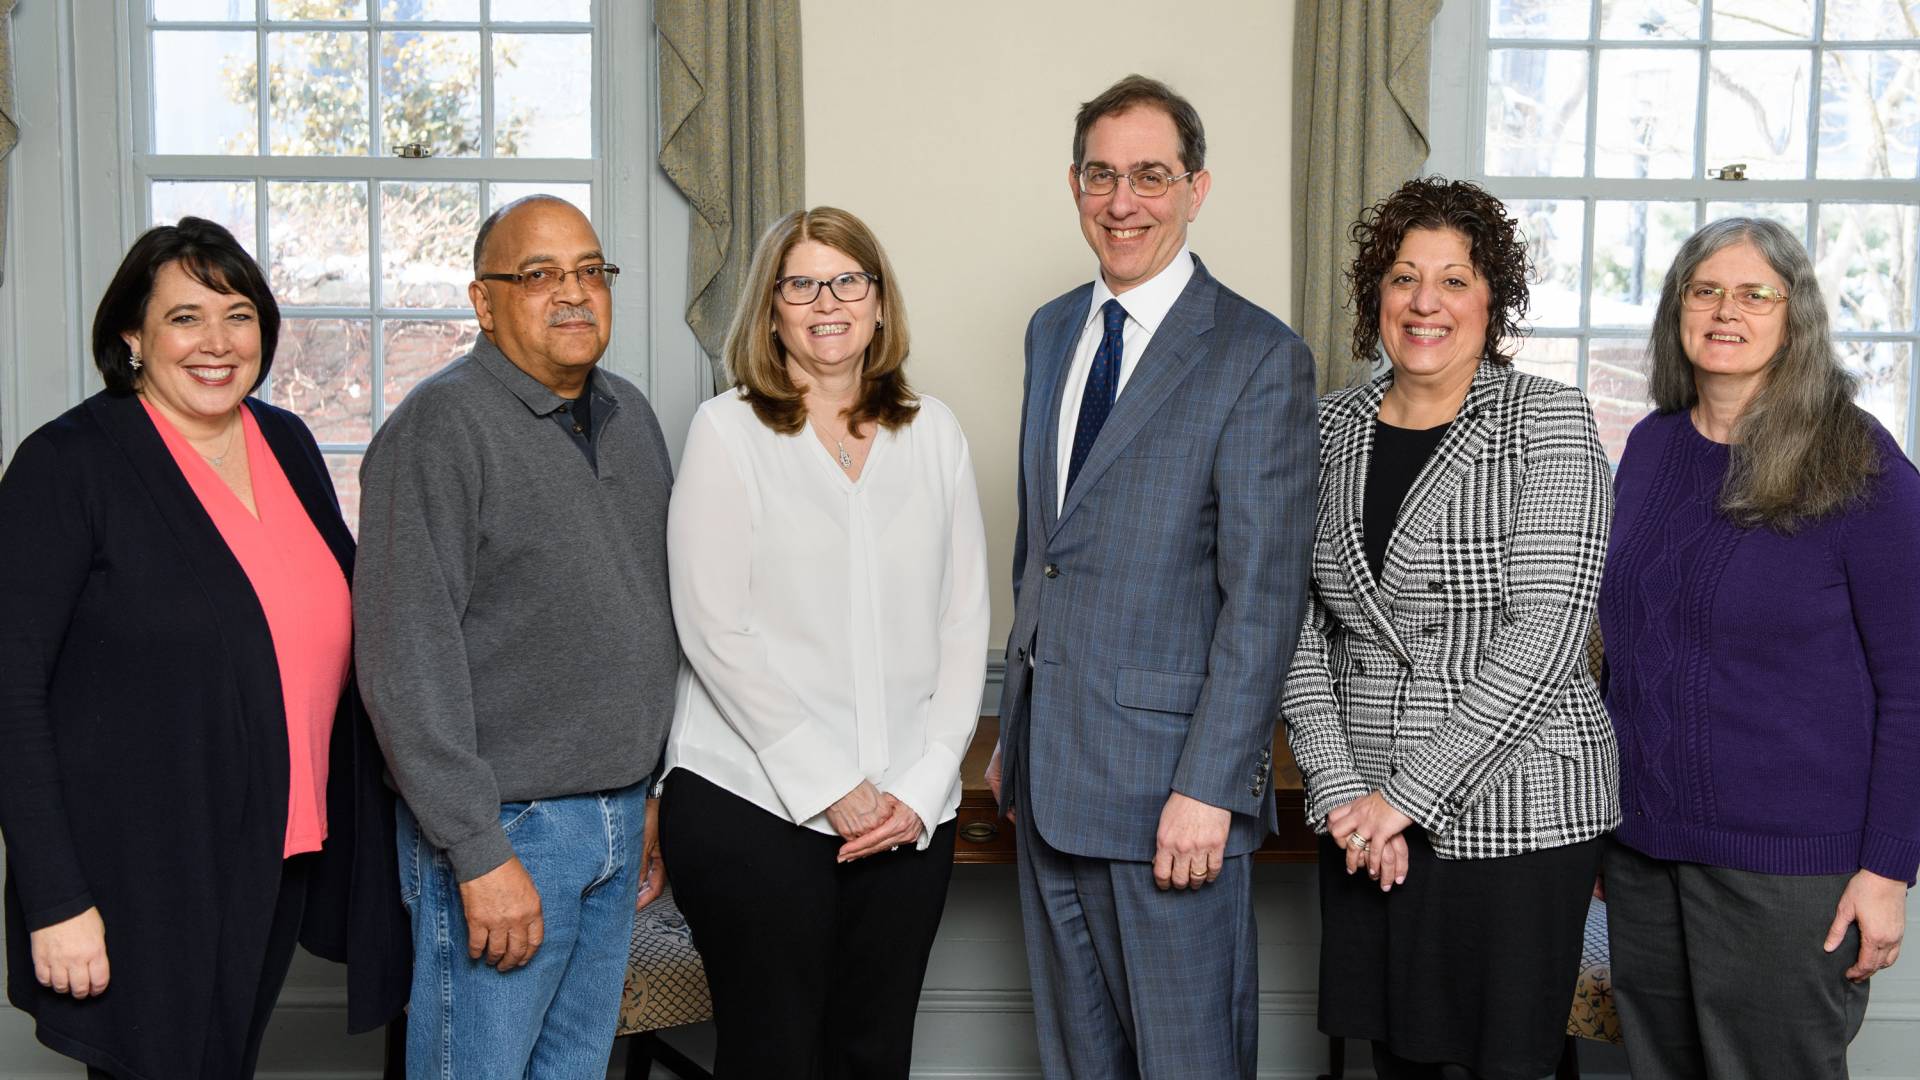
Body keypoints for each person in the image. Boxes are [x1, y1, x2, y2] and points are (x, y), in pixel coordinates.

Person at [0, 217, 409, 1079]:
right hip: (141, 867)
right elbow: (9, 691)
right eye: (185, 317)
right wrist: (57, 899)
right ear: (132, 337)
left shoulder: (286, 442)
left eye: (238, 314)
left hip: (277, 843)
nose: (216, 343)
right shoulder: (68, 466)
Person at [983, 74, 1317, 1078]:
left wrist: (1212, 785)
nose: (1122, 201)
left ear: (1197, 187)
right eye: (1102, 174)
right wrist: (1015, 723)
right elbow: (1043, 541)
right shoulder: (1051, 329)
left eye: (1150, 176)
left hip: (1171, 789)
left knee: (1188, 1061)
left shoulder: (1259, 356)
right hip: (1048, 769)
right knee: (1082, 1061)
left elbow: (1264, 598)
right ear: (1075, 183)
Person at [1280, 176, 1619, 1080]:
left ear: (1490, 300)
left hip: (1514, 810)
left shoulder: (1546, 420)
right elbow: (1297, 624)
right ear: (1375, 298)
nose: (1426, 302)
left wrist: (1406, 800)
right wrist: (1346, 789)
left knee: (1508, 1063)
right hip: (1362, 812)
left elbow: (1547, 635)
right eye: (1403, 277)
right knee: (1399, 1060)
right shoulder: (1326, 428)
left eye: (1455, 279)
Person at [659, 205, 990, 1078]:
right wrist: (832, 786)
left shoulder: (935, 433)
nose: (826, 303)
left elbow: (965, 624)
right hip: (752, 802)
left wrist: (922, 787)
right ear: (772, 311)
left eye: (848, 281)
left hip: (906, 810)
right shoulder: (727, 431)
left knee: (873, 1056)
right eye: (801, 285)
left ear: (879, 304)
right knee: (774, 1058)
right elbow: (712, 626)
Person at [353, 195, 680, 1078]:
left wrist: (646, 795)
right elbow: (401, 661)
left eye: (589, 270)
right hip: (509, 830)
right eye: (538, 275)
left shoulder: (631, 416)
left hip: (616, 816)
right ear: (483, 301)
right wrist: (476, 850)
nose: (572, 293)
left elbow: (647, 615)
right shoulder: (440, 428)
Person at [1598, 217, 1918, 1079]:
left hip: (1785, 871)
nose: (1725, 310)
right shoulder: (1654, 446)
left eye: (1754, 294)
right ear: (1677, 311)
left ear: (1795, 316)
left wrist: (1888, 869)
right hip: (1642, 851)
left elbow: (1913, 688)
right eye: (1705, 290)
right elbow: (1627, 657)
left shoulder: (1857, 459)